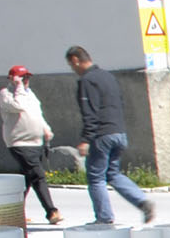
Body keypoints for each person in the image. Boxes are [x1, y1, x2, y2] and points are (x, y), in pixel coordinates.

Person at [64, 46, 154, 225]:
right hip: (119, 132)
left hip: (102, 135)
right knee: (112, 173)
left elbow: (90, 112)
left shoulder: (87, 81)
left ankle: (104, 217)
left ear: (76, 60)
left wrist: (86, 139)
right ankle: (142, 201)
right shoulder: (108, 77)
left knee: (96, 177)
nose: (72, 69)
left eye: (71, 65)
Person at [0, 65, 62, 225]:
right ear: (12, 78)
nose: (26, 80)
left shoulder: (29, 93)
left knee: (26, 179)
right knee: (38, 176)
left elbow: (37, 114)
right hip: (19, 143)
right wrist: (18, 87)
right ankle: (52, 212)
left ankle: (13, 213)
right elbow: (17, 106)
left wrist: (46, 129)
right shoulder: (5, 94)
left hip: (36, 142)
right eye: (22, 77)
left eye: (27, 77)